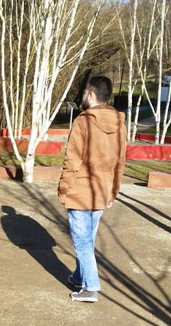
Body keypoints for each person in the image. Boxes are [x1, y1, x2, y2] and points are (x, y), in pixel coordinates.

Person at [58, 76, 126, 303]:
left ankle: (91, 287)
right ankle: (79, 277)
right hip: (102, 191)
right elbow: (120, 162)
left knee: (82, 241)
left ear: (90, 94)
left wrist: (64, 189)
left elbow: (72, 160)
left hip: (80, 191)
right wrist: (113, 192)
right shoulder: (120, 124)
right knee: (87, 239)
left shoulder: (82, 122)